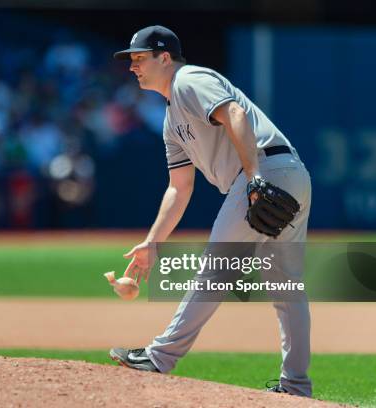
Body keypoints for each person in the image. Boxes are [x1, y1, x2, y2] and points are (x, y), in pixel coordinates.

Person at [108, 26, 312, 397]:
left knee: (217, 267)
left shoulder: (189, 79)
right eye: (131, 60)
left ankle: (159, 356)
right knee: (286, 289)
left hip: (264, 170)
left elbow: (234, 113)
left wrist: (253, 180)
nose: (133, 66)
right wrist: (153, 243)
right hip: (287, 172)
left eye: (140, 58)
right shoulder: (172, 123)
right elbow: (179, 188)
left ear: (165, 58)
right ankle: (296, 386)